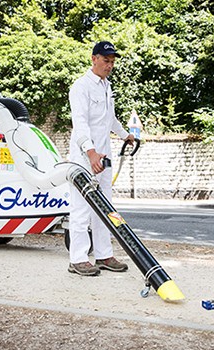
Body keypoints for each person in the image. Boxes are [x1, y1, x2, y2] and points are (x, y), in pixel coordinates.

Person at [68, 41, 135, 276]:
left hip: (103, 158)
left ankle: (103, 255)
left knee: (105, 208)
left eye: (112, 61)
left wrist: (126, 135)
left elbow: (110, 119)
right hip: (84, 159)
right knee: (81, 208)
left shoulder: (106, 87)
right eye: (106, 60)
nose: (110, 65)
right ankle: (77, 259)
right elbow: (81, 123)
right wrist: (90, 152)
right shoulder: (81, 87)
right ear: (93, 58)